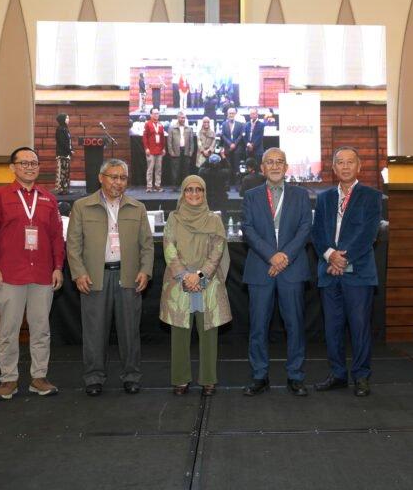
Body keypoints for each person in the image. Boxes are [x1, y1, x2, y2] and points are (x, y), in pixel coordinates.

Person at [0, 147, 65, 400]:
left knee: (41, 329)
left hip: (42, 274)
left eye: (34, 163)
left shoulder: (48, 199)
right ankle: (8, 379)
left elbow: (57, 237)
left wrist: (58, 267)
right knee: (9, 330)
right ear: (12, 167)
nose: (30, 167)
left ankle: (39, 377)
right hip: (9, 274)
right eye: (24, 163)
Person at [66, 159, 154, 397]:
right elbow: (73, 245)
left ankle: (132, 376)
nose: (118, 182)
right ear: (101, 178)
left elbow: (147, 245)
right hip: (94, 277)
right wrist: (79, 273)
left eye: (123, 178)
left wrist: (145, 270)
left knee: (130, 332)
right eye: (113, 177)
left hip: (129, 277)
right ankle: (94, 378)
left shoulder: (137, 208)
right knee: (94, 332)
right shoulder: (82, 206)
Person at [311, 146, 381, 397]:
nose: (345, 166)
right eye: (340, 162)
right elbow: (317, 232)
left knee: (360, 327)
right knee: (332, 327)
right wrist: (330, 255)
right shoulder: (323, 198)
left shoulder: (371, 196)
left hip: (358, 273)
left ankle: (361, 376)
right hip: (328, 271)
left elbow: (368, 234)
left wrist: (343, 259)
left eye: (350, 162)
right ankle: (338, 374)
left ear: (359, 166)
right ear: (333, 168)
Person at [241, 148, 312, 397]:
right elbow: (248, 229)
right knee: (258, 326)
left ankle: (295, 375)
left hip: (292, 267)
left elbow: (305, 228)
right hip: (261, 267)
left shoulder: (301, 195)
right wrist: (271, 256)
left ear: (286, 167)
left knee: (295, 325)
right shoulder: (251, 196)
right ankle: (259, 375)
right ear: (262, 168)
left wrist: (284, 257)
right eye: (269, 162)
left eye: (279, 162)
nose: (274, 166)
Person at [160, 175, 232, 396]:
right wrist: (185, 276)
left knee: (208, 332)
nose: (194, 193)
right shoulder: (173, 219)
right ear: (183, 193)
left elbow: (217, 251)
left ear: (204, 192)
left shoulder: (214, 220)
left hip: (207, 282)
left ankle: (208, 379)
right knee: (180, 333)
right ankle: (181, 379)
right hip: (179, 282)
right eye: (189, 189)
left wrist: (199, 276)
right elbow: (169, 249)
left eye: (198, 189)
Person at [167, 111, 195, 191]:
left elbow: (191, 141)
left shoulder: (188, 128)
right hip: (176, 151)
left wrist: (191, 150)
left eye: (184, 118)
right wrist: (171, 151)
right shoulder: (172, 128)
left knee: (186, 170)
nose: (183, 119)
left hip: (186, 150)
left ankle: (186, 186)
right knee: (175, 170)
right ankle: (175, 186)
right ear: (178, 118)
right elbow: (169, 141)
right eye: (181, 118)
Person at [143, 107, 165, 192]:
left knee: (158, 169)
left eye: (157, 113)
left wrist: (163, 148)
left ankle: (157, 185)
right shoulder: (147, 124)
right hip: (151, 150)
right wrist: (146, 148)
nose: (156, 115)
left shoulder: (160, 124)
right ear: (151, 114)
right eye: (155, 113)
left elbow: (162, 137)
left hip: (159, 150)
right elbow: (145, 137)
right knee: (150, 169)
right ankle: (149, 186)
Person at [221, 107, 244, 185]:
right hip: (227, 149)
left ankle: (237, 184)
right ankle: (227, 184)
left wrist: (234, 144)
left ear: (235, 114)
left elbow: (241, 135)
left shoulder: (240, 124)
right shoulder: (224, 124)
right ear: (227, 114)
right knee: (227, 167)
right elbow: (223, 135)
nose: (231, 115)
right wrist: (230, 144)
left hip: (237, 149)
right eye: (230, 113)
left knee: (236, 167)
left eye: (233, 113)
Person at [55, 113, 73, 194]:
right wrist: (69, 150)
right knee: (61, 171)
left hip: (67, 153)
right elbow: (62, 142)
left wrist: (71, 149)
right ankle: (60, 189)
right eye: (67, 118)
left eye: (68, 118)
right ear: (62, 119)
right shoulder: (59, 129)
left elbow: (69, 141)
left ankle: (65, 188)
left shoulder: (66, 128)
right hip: (62, 153)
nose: (68, 120)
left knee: (66, 171)